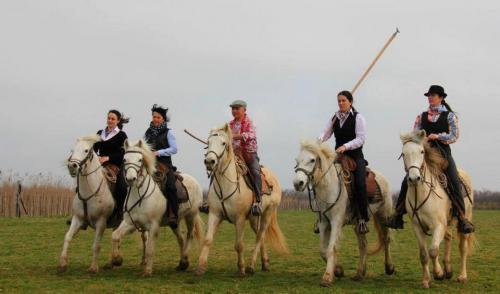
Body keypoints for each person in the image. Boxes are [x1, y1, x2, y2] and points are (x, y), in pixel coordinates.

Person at [388, 85, 475, 234]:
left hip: (443, 155)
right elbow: (414, 135)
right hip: (424, 155)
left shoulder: (449, 116)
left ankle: (462, 218)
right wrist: (419, 139)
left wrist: (438, 136)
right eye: (429, 95)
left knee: (454, 180)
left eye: (433, 95)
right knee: (406, 180)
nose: (430, 98)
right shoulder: (420, 116)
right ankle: (398, 213)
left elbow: (454, 135)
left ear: (441, 97)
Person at [319, 91, 369, 234]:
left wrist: (346, 146)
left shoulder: (359, 118)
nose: (341, 103)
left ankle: (362, 219)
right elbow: (326, 133)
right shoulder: (335, 118)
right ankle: (321, 216)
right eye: (339, 101)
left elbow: (361, 139)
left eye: (343, 101)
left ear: (350, 102)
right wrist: (318, 141)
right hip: (337, 156)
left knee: (360, 183)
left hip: (355, 156)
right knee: (320, 176)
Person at [144, 104, 179, 229]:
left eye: (158, 117)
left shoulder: (169, 132)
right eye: (154, 117)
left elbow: (174, 149)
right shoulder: (148, 132)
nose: (155, 119)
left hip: (164, 164)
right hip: (149, 163)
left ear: (163, 119)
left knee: (171, 187)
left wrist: (159, 152)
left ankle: (173, 215)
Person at [93, 109, 129, 221]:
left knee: (122, 187)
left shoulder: (122, 135)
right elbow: (93, 149)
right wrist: (97, 157)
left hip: (116, 165)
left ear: (118, 121)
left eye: (113, 119)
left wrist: (108, 157)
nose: (110, 120)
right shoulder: (100, 133)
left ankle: (120, 213)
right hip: (100, 165)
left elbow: (123, 153)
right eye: (108, 118)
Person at [229, 100, 263, 216]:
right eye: (233, 108)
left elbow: (251, 135)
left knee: (255, 172)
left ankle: (258, 201)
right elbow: (225, 137)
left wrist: (235, 136)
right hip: (233, 154)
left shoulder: (250, 122)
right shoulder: (230, 124)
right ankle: (210, 202)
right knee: (217, 167)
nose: (234, 111)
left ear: (244, 110)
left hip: (248, 153)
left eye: (237, 108)